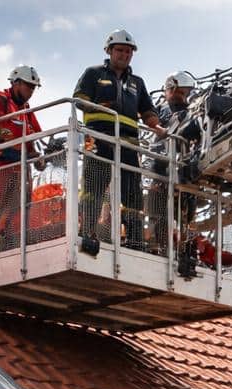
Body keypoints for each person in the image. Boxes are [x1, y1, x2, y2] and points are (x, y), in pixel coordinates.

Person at [74, 30, 167, 249]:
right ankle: (87, 232)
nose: (124, 55)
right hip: (98, 138)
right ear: (109, 51)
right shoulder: (93, 73)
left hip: (128, 144)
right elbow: (79, 99)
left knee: (132, 192)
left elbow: (148, 112)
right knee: (93, 187)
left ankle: (135, 240)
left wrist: (159, 128)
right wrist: (99, 106)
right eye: (120, 50)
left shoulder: (137, 82)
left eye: (128, 51)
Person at [0, 65, 43, 253]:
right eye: (27, 86)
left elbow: (34, 136)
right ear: (15, 83)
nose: (30, 91)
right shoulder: (0, 99)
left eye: (33, 87)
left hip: (19, 167)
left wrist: (38, 156)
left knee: (19, 206)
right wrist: (5, 146)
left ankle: (6, 243)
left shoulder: (26, 110)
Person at [149, 70, 203, 260]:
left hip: (181, 171)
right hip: (159, 169)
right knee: (160, 215)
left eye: (185, 93)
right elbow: (155, 140)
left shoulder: (191, 113)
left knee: (187, 215)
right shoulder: (161, 112)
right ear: (169, 90)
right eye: (179, 92)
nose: (182, 97)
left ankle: (185, 252)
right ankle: (164, 250)